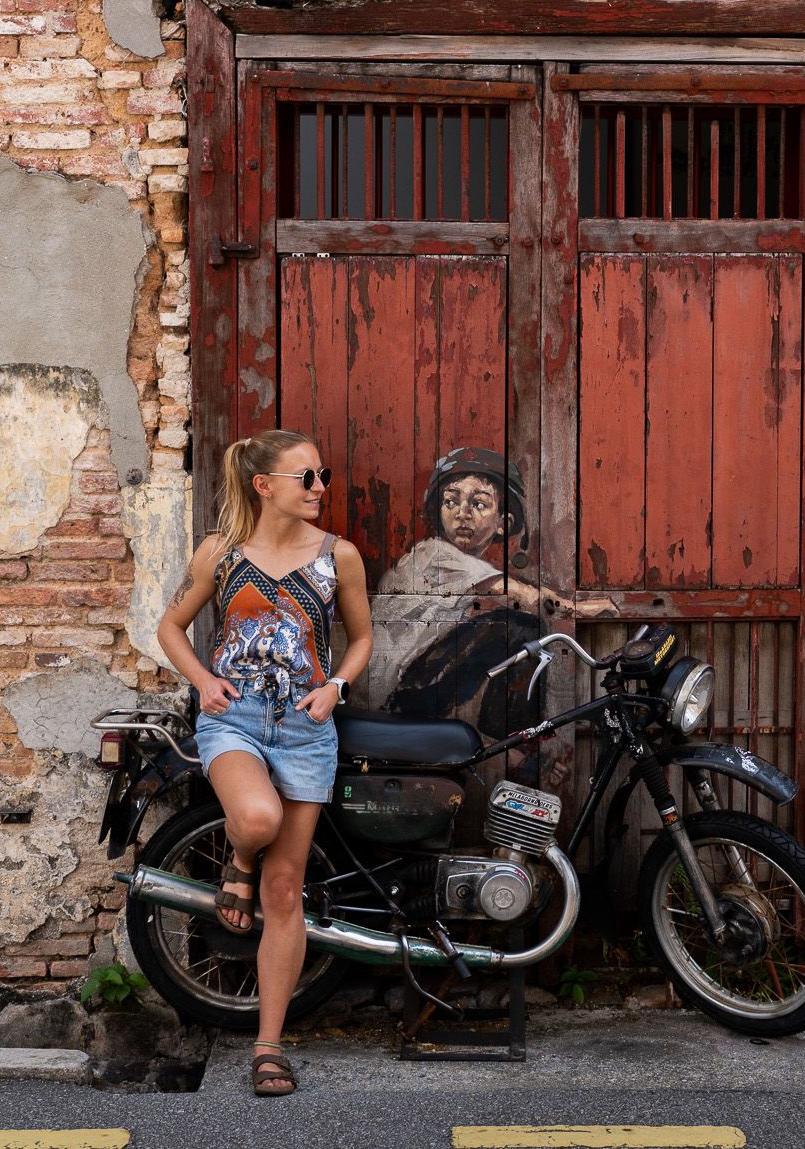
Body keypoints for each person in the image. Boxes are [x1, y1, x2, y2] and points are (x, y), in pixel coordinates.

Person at [157, 429, 372, 1097]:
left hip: (307, 729)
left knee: (286, 893)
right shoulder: (220, 555)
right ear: (264, 485)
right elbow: (170, 625)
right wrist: (202, 678)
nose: (320, 487)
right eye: (306, 477)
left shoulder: (341, 557)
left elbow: (362, 638)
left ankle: (269, 1044)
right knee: (253, 818)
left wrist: (337, 686)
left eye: (322, 475)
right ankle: (237, 862)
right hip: (236, 720)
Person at [369, 447, 613, 742]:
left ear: (503, 522)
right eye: (451, 501)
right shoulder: (433, 554)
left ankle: (504, 741)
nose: (462, 513)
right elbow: (525, 597)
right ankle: (515, 742)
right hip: (396, 694)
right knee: (518, 627)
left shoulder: (459, 565)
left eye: (479, 504)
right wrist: (584, 609)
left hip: (409, 686)